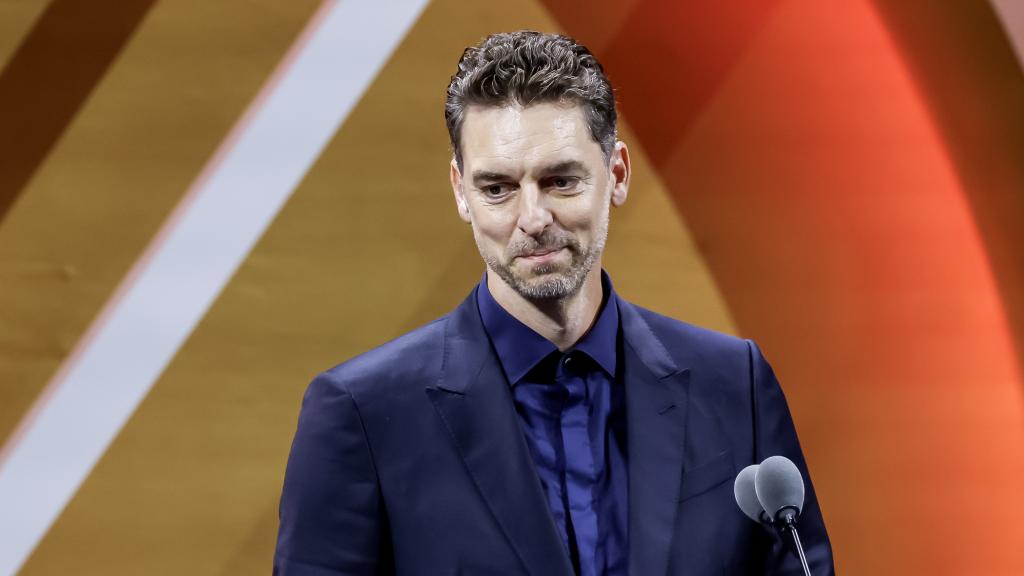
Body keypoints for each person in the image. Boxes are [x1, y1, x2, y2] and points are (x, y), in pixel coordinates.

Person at [274, 31, 833, 575]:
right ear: (460, 192)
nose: (533, 219)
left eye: (560, 181)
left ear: (616, 173)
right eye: (497, 188)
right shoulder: (362, 414)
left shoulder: (736, 385)